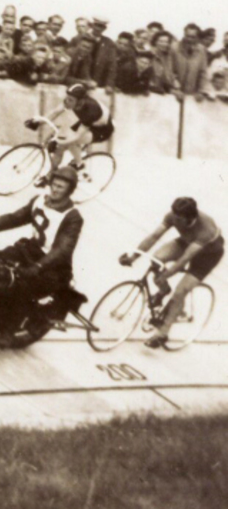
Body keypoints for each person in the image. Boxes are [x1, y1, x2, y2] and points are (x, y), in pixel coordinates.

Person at [0, 166, 84, 347]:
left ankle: (8, 331)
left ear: (69, 191)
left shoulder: (72, 217)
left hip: (53, 266)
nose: (55, 189)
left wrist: (38, 267)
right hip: (29, 251)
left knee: (22, 287)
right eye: (54, 184)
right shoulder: (39, 201)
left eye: (60, 187)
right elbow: (15, 218)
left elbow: (62, 249)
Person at [119, 198, 224, 349]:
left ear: (190, 218)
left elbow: (185, 258)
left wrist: (166, 275)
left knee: (180, 291)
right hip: (188, 242)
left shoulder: (205, 230)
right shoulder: (173, 216)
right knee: (157, 258)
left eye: (179, 219)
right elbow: (154, 236)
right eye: (174, 216)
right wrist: (134, 256)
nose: (175, 220)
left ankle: (162, 334)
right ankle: (163, 291)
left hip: (207, 256)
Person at [26, 84, 114, 181]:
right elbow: (55, 112)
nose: (67, 102)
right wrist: (38, 122)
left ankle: (80, 164)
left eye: (71, 100)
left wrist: (57, 140)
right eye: (67, 98)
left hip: (102, 130)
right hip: (88, 122)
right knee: (60, 146)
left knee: (68, 142)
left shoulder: (91, 110)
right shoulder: (72, 100)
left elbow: (76, 136)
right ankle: (51, 175)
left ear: (80, 101)